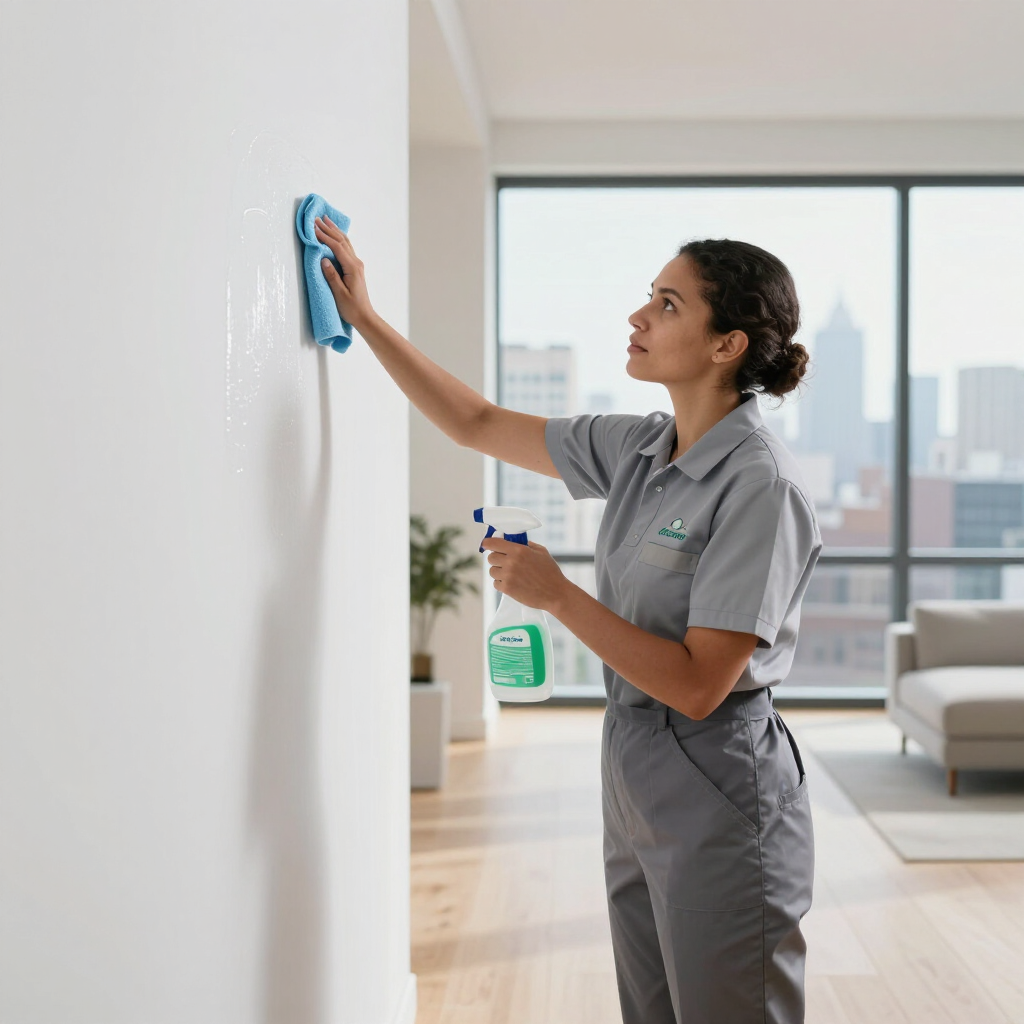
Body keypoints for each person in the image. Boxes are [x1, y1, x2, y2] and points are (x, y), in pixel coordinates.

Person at [314, 215, 821, 1024]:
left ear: (727, 345)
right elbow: (476, 422)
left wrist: (556, 595)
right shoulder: (639, 449)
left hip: (719, 785)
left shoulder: (759, 486)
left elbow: (698, 686)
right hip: (631, 769)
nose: (638, 317)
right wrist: (366, 318)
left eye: (666, 303)